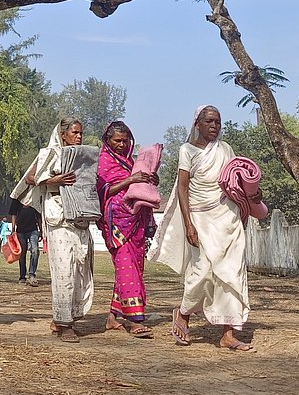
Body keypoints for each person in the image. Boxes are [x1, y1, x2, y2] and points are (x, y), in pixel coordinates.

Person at [151, 105, 255, 352]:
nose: (214, 126)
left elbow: (236, 181)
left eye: (218, 122)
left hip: (227, 218)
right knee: (202, 271)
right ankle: (184, 313)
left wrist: (252, 195)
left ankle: (228, 334)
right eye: (209, 121)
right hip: (199, 218)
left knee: (232, 273)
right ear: (197, 123)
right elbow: (182, 189)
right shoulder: (187, 150)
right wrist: (188, 224)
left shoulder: (226, 149)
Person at [14, 117, 93, 342]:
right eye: (74, 133)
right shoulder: (50, 153)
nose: (78, 137)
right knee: (63, 270)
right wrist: (53, 180)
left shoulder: (83, 157)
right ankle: (65, 323)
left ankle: (65, 317)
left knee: (80, 267)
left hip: (80, 218)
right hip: (57, 217)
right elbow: (30, 177)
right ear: (63, 134)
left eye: (80, 133)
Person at [97, 120, 156, 338]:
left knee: (131, 269)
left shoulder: (130, 162)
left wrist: (149, 180)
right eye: (117, 140)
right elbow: (104, 190)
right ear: (108, 140)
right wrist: (131, 180)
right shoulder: (102, 162)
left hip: (136, 219)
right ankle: (134, 320)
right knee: (126, 268)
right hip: (116, 222)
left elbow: (140, 188)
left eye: (125, 141)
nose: (121, 144)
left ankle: (113, 318)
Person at [8, 194, 41, 285]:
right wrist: (13, 229)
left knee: (35, 250)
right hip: (20, 231)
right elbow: (13, 214)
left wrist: (41, 230)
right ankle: (22, 276)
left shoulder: (34, 197)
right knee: (22, 253)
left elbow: (38, 216)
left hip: (33, 230)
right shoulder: (17, 198)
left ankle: (32, 274)